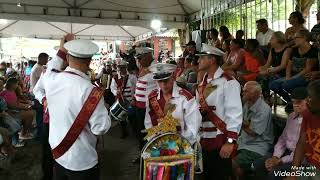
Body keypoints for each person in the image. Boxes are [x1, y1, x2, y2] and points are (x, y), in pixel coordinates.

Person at [33, 35, 111, 180]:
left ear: (68, 58)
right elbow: (100, 128)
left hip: (58, 155)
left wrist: (62, 49)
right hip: (83, 160)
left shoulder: (51, 78)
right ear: (89, 61)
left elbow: (51, 68)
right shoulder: (91, 91)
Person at [196, 43, 243, 180]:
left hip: (220, 141)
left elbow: (235, 114)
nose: (198, 61)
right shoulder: (201, 84)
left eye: (202, 58)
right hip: (203, 141)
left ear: (212, 60)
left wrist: (230, 142)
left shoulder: (228, 82)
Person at [253, 87, 308, 180]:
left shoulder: (312, 121)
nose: (295, 105)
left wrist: (281, 161)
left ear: (308, 101)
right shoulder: (291, 116)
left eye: (299, 102)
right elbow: (282, 139)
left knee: (274, 174)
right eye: (294, 102)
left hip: (301, 159)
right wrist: (275, 156)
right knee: (258, 164)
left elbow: (303, 151)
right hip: (285, 152)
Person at [144, 63, 201, 144]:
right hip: (159, 145)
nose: (163, 85)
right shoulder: (152, 98)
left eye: (166, 80)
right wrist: (154, 142)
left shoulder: (185, 97)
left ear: (173, 77)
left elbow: (194, 125)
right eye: (160, 81)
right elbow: (148, 123)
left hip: (183, 144)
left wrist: (179, 144)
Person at [270, 30, 318, 112]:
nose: (294, 39)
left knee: (287, 85)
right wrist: (288, 76)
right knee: (273, 85)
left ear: (304, 38)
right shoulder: (295, 50)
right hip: (293, 75)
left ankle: (300, 101)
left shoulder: (312, 50)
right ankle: (290, 101)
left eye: (296, 37)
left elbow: (307, 69)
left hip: (305, 76)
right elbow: (289, 65)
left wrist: (293, 78)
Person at [233, 81, 273, 179]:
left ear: (256, 94)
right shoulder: (247, 104)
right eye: (243, 91)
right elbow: (245, 124)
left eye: (246, 92)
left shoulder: (264, 109)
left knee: (233, 163)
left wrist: (239, 122)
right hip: (244, 142)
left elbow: (253, 133)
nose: (243, 93)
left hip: (257, 146)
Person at [287, 80, 320, 180]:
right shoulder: (307, 115)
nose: (307, 101)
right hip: (310, 167)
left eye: (310, 98)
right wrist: (293, 173)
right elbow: (301, 144)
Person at [132, 47, 157, 163]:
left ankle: (148, 156)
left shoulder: (156, 68)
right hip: (139, 106)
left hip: (148, 108)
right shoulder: (144, 67)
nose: (139, 61)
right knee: (141, 132)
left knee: (148, 132)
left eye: (140, 58)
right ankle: (143, 154)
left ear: (148, 56)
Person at [259, 31, 291, 100]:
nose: (270, 40)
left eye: (272, 38)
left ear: (279, 40)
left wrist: (270, 70)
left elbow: (283, 66)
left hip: (284, 74)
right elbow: (267, 64)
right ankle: (266, 98)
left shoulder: (287, 50)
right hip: (275, 72)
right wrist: (261, 68)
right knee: (260, 77)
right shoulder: (272, 49)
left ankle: (289, 99)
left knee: (269, 81)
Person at [110, 59, 137, 139]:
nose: (122, 69)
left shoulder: (132, 77)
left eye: (123, 67)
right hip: (121, 101)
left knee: (132, 117)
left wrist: (134, 98)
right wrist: (116, 92)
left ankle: (134, 132)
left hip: (131, 101)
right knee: (122, 118)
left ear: (126, 67)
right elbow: (112, 88)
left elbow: (136, 87)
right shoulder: (115, 78)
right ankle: (124, 132)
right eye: (120, 68)